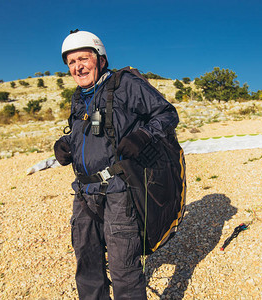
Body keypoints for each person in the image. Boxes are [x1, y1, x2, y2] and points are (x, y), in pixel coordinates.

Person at [54, 30, 179, 300]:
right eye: (71, 62)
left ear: (100, 59)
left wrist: (144, 135)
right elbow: (88, 133)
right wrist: (66, 143)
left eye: (83, 58)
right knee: (87, 265)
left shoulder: (126, 85)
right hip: (84, 194)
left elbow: (167, 114)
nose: (78, 67)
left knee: (124, 268)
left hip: (119, 190)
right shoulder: (79, 98)